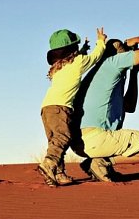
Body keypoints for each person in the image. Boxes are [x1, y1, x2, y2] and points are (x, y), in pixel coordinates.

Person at [74, 35, 139, 182]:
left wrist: (134, 73)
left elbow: (129, 107)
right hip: (95, 138)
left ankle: (100, 161)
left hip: (84, 141)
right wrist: (137, 39)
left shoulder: (106, 75)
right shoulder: (112, 63)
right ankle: (102, 162)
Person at [38, 27, 107, 186]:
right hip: (61, 107)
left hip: (46, 108)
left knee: (55, 142)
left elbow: (74, 58)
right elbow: (96, 57)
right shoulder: (78, 62)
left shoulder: (58, 66)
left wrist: (83, 49)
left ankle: (58, 173)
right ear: (73, 49)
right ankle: (49, 164)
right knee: (64, 137)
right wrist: (101, 41)